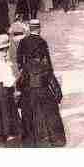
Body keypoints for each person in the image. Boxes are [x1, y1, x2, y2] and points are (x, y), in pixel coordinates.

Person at [16, 19, 66, 147]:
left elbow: (19, 60)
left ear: (30, 28)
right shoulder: (42, 42)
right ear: (39, 28)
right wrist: (57, 94)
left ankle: (29, 140)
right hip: (42, 86)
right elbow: (48, 65)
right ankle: (54, 139)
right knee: (50, 113)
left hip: (28, 81)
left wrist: (23, 72)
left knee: (28, 114)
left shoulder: (23, 41)